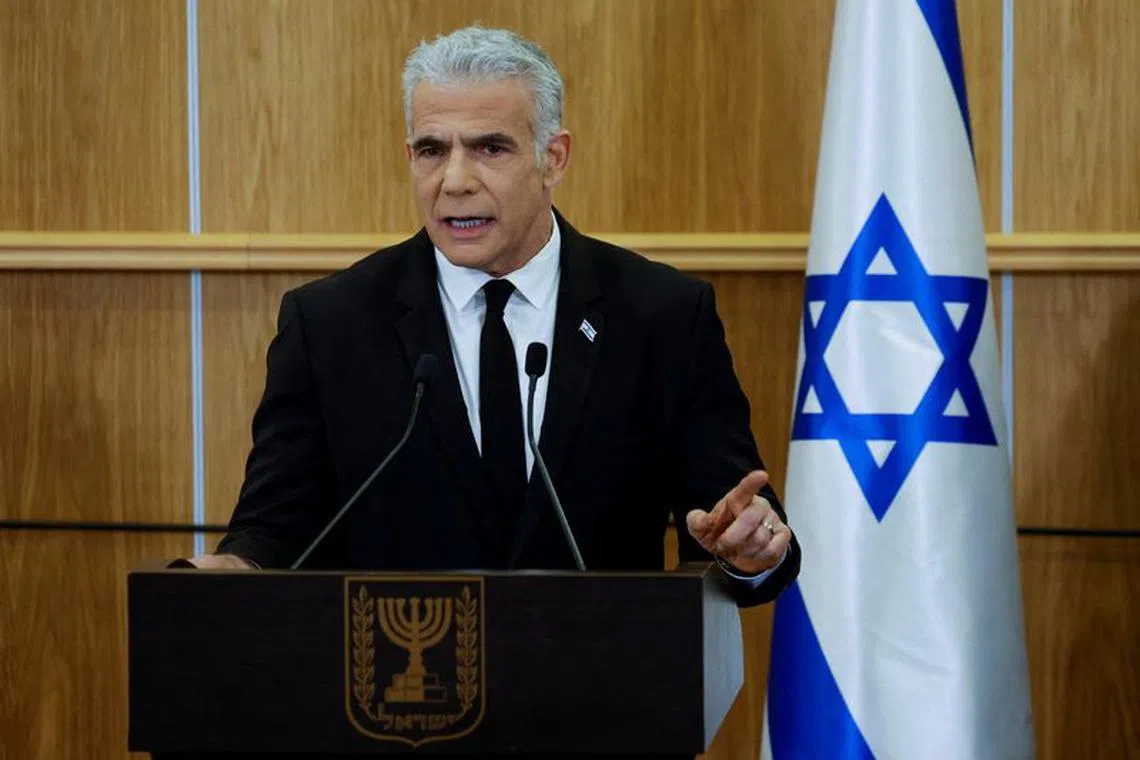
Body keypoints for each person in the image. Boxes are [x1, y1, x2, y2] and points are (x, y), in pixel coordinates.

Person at [189, 25, 800, 607]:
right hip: (402, 693)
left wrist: (750, 551)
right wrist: (231, 570)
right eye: (432, 150)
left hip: (602, 693)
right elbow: (273, 531)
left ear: (553, 158)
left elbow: (742, 523)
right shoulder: (330, 325)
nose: (455, 181)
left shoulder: (662, 315)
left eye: (489, 148)